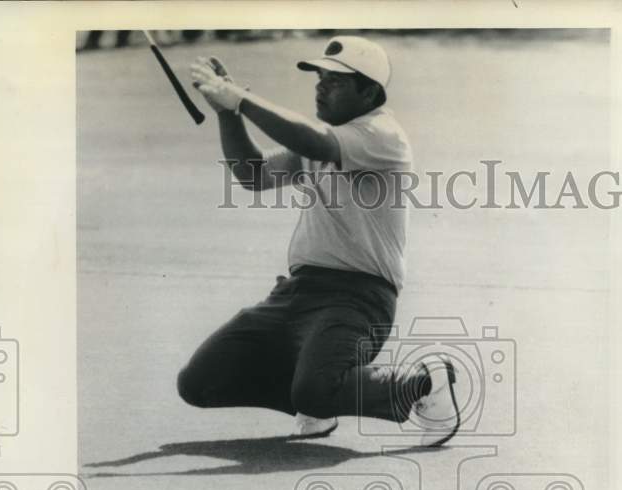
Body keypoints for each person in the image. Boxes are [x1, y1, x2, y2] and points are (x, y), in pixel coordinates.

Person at [180, 36, 460, 446]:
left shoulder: (382, 134)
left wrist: (240, 98)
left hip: (357, 299)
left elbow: (314, 141)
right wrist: (228, 113)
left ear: (369, 92)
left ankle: (420, 382)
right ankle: (316, 398)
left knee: (315, 388)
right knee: (199, 382)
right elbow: (254, 176)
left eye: (336, 81)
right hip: (296, 295)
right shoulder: (323, 138)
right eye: (321, 78)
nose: (321, 86)